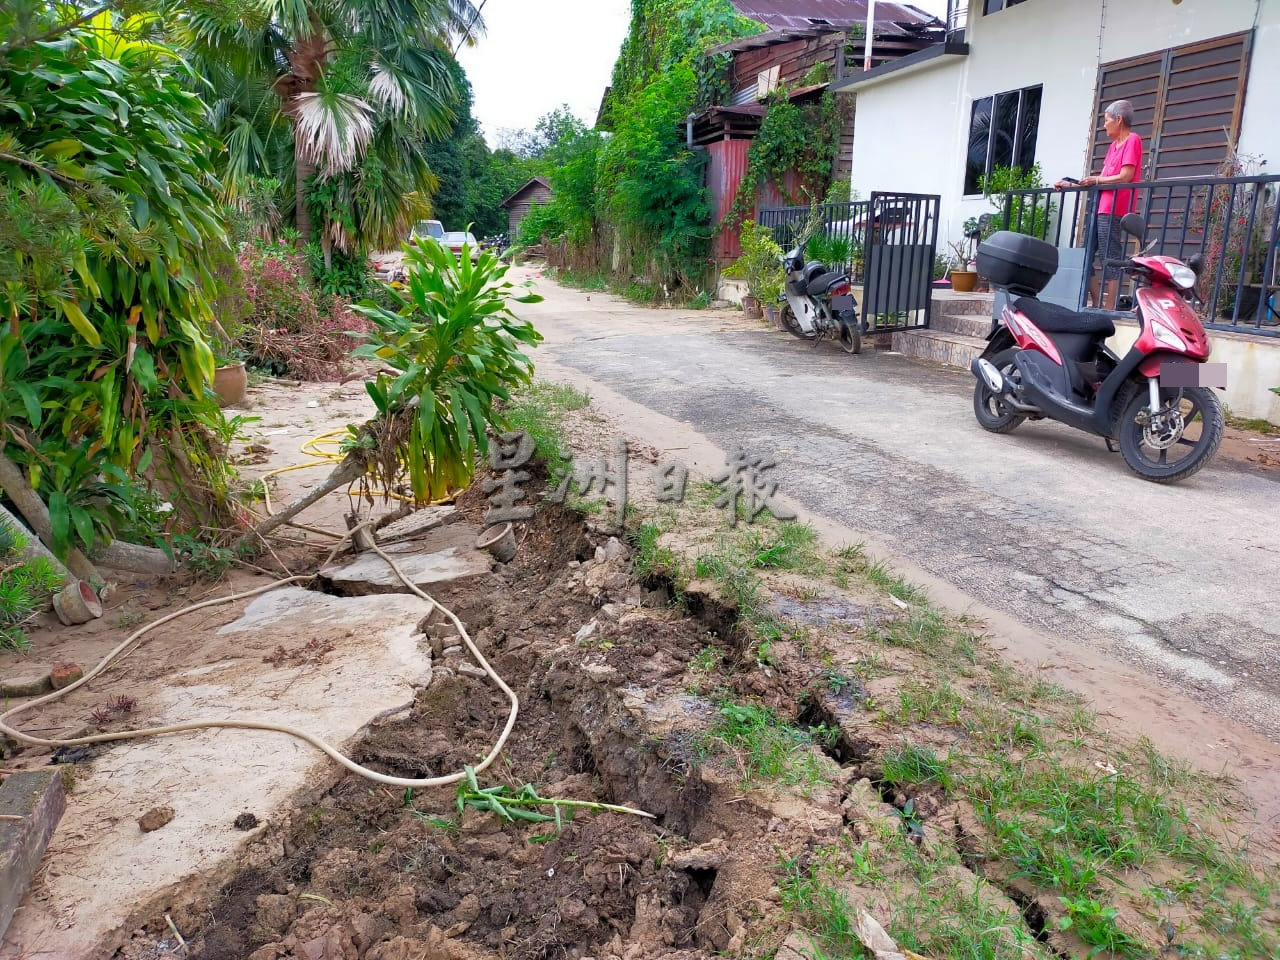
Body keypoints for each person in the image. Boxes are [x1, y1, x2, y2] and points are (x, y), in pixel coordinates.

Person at [1055, 100, 1143, 309]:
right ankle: (1096, 301)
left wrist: (1095, 180)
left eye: (1107, 120)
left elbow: (1126, 175)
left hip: (1115, 208)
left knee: (1109, 256)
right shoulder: (1114, 146)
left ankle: (1110, 305)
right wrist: (1071, 184)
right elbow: (1101, 177)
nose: (1104, 125)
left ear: (1119, 120)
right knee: (1086, 254)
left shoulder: (1133, 140)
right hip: (1100, 206)